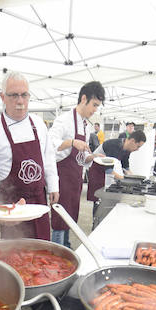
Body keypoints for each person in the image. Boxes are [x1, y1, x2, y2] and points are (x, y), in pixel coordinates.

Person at [0, 71, 58, 240]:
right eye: (14, 95)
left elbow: (48, 158)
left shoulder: (38, 124)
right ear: (2, 97)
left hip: (39, 202)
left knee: (43, 249)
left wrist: (53, 185)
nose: (20, 101)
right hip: (11, 207)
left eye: (24, 95)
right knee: (15, 253)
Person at [48, 80, 105, 247]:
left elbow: (81, 157)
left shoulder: (86, 125)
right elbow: (50, 143)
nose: (95, 110)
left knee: (71, 217)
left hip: (75, 180)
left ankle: (65, 245)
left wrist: (92, 157)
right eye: (94, 105)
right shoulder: (64, 120)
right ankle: (57, 250)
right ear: (84, 99)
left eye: (97, 106)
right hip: (62, 178)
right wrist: (71, 142)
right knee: (60, 219)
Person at [89, 130, 147, 205]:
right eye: (138, 146)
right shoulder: (113, 145)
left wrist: (133, 178)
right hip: (98, 172)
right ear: (132, 141)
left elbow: (125, 166)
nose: (137, 149)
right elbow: (108, 170)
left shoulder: (127, 149)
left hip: (108, 174)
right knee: (99, 200)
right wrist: (125, 180)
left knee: (109, 198)